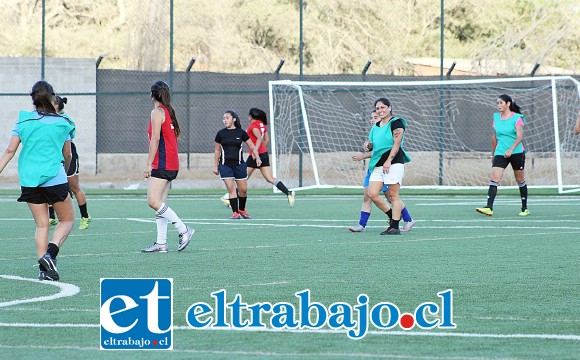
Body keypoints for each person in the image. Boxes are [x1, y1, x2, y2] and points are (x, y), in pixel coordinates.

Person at [0, 80, 76, 281]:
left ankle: (44, 271)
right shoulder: (63, 123)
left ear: (32, 99)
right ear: (52, 98)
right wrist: (67, 172)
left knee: (42, 224)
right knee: (67, 220)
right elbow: (67, 154)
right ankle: (50, 255)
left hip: (29, 180)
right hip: (54, 177)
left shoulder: (23, 121)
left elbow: (10, 150)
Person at [142, 80, 194, 253]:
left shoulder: (157, 112)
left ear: (152, 95)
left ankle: (183, 229)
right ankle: (161, 243)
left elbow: (156, 139)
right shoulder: (168, 111)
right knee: (160, 203)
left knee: (153, 201)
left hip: (163, 162)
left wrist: (149, 164)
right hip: (171, 162)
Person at [349, 111, 416, 232]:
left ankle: (407, 219)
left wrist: (365, 156)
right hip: (375, 167)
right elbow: (374, 150)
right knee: (368, 195)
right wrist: (366, 148)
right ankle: (362, 224)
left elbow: (388, 148)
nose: (372, 119)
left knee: (391, 197)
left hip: (387, 167)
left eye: (375, 117)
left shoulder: (390, 128)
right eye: (372, 117)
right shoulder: (375, 130)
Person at [476, 94, 528, 217]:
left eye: (501, 103)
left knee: (520, 180)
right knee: (494, 178)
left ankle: (524, 208)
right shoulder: (496, 118)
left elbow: (520, 136)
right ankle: (489, 207)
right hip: (500, 152)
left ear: (508, 104)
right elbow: (494, 138)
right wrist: (493, 154)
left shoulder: (517, 118)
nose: (499, 105)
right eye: (497, 103)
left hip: (516, 152)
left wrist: (511, 149)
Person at [367, 98, 412, 235]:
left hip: (393, 163)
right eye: (378, 108)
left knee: (393, 195)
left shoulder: (396, 123)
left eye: (382, 107)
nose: (380, 111)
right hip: (378, 164)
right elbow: (372, 145)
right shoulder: (376, 126)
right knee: (372, 193)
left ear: (389, 107)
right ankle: (393, 215)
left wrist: (389, 160)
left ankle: (394, 227)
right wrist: (368, 146)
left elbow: (396, 144)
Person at [48, 96, 92, 230]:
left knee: (74, 186)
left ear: (56, 106)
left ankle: (85, 216)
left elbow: (68, 134)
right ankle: (51, 217)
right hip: (55, 153)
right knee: (49, 183)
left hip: (68, 152)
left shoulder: (65, 119)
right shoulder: (48, 118)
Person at [213, 110, 261, 219]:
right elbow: (217, 150)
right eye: (223, 118)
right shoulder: (220, 134)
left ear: (234, 119)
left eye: (227, 118)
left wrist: (257, 157)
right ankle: (235, 212)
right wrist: (215, 166)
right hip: (225, 166)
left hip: (240, 165)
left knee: (243, 190)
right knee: (231, 189)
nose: (225, 120)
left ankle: (242, 209)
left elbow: (252, 146)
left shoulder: (241, 133)